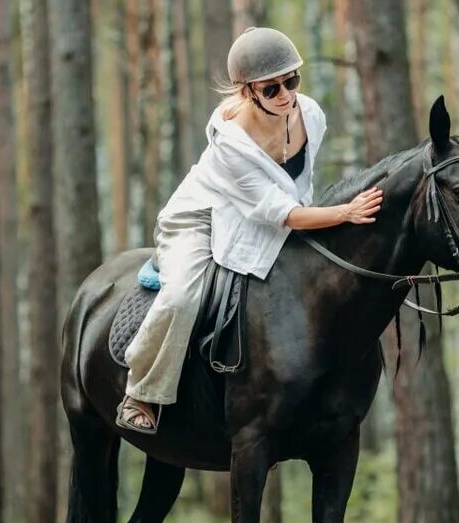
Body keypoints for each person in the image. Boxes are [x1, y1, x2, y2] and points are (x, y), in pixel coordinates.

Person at [118, 27, 384, 434]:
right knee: (182, 296)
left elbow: (297, 190)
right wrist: (345, 212)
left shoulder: (312, 114)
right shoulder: (231, 145)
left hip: (255, 218)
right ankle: (141, 392)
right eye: (272, 88)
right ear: (248, 92)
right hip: (201, 219)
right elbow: (285, 214)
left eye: (291, 81)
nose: (286, 95)